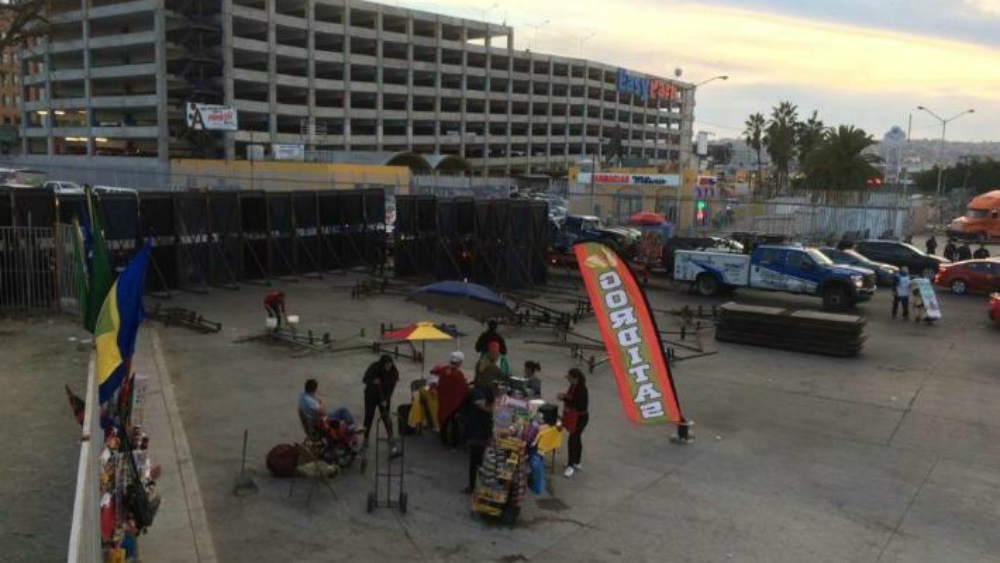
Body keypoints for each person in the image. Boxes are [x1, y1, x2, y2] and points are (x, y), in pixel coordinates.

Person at [432, 351, 469, 447]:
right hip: (454, 404)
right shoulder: (458, 374)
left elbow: (438, 384)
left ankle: (443, 440)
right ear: (459, 362)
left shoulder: (443, 370)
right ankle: (454, 443)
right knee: (454, 422)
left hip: (443, 401)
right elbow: (464, 389)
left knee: (444, 422)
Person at [463, 382, 494, 494]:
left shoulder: (477, 404)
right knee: (482, 463)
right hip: (483, 438)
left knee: (474, 463)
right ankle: (481, 487)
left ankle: (472, 487)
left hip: (475, 437)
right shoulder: (491, 410)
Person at [558, 368, 589, 478]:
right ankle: (576, 461)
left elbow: (576, 404)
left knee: (573, 439)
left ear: (576, 378)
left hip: (580, 418)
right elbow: (570, 399)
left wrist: (564, 398)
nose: (569, 380)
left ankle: (571, 465)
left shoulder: (582, 390)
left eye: (570, 378)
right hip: (574, 417)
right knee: (577, 438)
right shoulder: (573, 387)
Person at [363, 355, 399, 444]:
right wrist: (373, 381)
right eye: (386, 365)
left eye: (390, 365)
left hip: (384, 396)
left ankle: (390, 436)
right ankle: (366, 438)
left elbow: (391, 388)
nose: (388, 367)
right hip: (371, 395)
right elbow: (364, 379)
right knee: (368, 417)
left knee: (386, 416)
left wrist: (386, 400)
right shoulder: (375, 367)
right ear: (382, 364)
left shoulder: (393, 372)